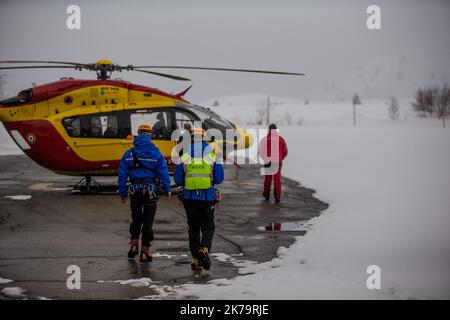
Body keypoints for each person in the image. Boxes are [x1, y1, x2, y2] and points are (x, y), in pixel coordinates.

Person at [118, 124, 171, 262]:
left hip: (134, 191)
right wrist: (167, 189)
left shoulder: (129, 153)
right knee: (148, 222)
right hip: (151, 192)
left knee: (136, 219)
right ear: (149, 135)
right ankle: (145, 251)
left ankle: (134, 244)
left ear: (139, 134)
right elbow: (163, 173)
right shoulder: (156, 153)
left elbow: (122, 175)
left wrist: (123, 194)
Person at [174, 128, 224, 271]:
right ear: (204, 138)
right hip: (207, 198)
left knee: (193, 229)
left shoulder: (185, 155)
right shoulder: (212, 154)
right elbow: (219, 178)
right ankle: (204, 249)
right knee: (208, 227)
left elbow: (178, 179)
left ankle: (196, 260)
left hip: (189, 199)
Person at [259, 124, 288, 203]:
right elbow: (285, 151)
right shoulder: (281, 139)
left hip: (268, 161)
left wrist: (265, 158)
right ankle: (277, 197)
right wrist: (280, 158)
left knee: (267, 179)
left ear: (269, 130)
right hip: (277, 162)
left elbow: (261, 152)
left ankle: (266, 195)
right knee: (277, 180)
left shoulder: (265, 139)